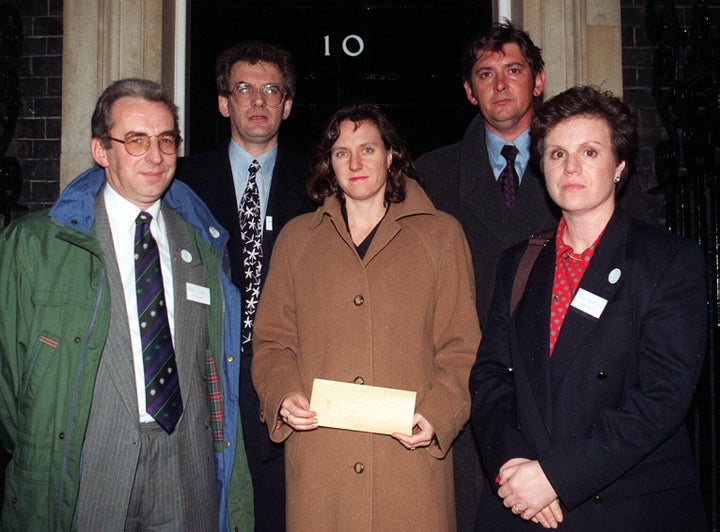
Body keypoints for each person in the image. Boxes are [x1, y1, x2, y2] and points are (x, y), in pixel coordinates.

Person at [0, 78, 253, 530]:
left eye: (166, 141)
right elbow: (8, 383)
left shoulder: (205, 245)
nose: (155, 156)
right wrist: (46, 447)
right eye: (136, 140)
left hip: (186, 469)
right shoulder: (36, 245)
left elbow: (215, 366)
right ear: (101, 150)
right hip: (88, 466)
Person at [469, 86, 707, 531]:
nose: (571, 167)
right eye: (557, 154)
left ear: (619, 166)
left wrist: (556, 476)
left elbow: (661, 397)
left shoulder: (667, 261)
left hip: (624, 507)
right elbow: (490, 377)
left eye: (589, 152)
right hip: (523, 505)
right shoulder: (518, 261)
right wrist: (514, 465)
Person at [251, 103, 481, 530]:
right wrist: (283, 394)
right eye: (341, 153)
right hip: (323, 466)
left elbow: (462, 347)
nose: (355, 163)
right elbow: (272, 342)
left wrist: (437, 413)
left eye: (368, 150)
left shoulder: (441, 235)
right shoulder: (297, 240)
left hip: (408, 467)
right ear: (328, 163)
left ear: (391, 155)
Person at [414, 22, 558, 530]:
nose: (500, 85)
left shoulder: (577, 166)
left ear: (537, 81)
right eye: (485, 74)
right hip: (471, 393)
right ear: (469, 91)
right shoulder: (429, 176)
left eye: (513, 70)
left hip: (559, 390)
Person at [175, 41, 314, 531]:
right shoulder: (181, 182)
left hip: (290, 380)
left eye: (271, 90)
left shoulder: (322, 182)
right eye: (244, 89)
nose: (258, 101)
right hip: (204, 372)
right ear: (223, 102)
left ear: (287, 104)